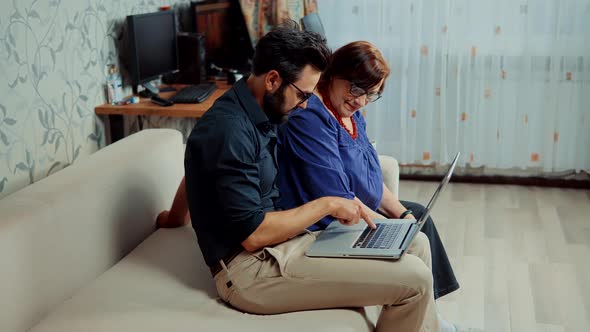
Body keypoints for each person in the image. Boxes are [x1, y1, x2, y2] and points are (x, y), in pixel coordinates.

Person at [159, 23, 444, 332]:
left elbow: (198, 167)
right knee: (414, 280)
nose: (307, 104)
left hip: (286, 244)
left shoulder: (255, 107)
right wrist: (328, 204)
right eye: (304, 94)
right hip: (250, 272)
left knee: (416, 243)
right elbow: (253, 235)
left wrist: (174, 218)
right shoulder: (229, 130)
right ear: (272, 79)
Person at [276, 41, 460, 300]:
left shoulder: (350, 112)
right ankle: (426, 314)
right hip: (332, 223)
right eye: (356, 88)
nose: (361, 101)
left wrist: (402, 213)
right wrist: (389, 228)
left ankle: (430, 313)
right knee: (413, 234)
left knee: (418, 216)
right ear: (332, 73)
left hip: (364, 212)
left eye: (371, 94)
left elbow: (370, 174)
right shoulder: (309, 119)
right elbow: (337, 197)